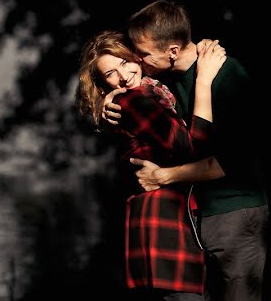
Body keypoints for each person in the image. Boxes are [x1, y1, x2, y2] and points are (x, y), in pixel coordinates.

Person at [103, 0, 269, 301]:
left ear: (173, 51)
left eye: (142, 54)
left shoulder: (226, 74)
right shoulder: (166, 82)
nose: (137, 61)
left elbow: (233, 161)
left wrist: (164, 176)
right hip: (193, 217)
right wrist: (110, 98)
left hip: (233, 212)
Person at [77, 30, 227, 300]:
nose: (123, 76)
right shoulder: (132, 101)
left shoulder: (156, 93)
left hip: (163, 217)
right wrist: (204, 80)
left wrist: (198, 48)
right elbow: (193, 147)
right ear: (102, 83)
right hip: (164, 222)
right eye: (110, 73)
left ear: (137, 56)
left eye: (124, 62)